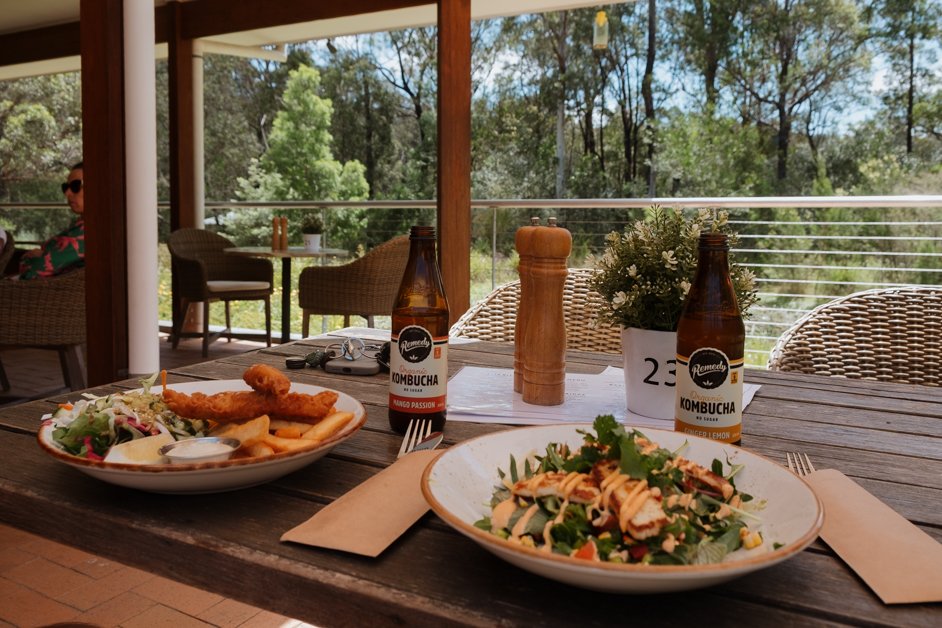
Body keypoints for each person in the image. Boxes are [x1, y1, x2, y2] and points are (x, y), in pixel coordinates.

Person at [16, 161, 85, 280]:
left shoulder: (89, 232)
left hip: (51, 294)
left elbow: (33, 271)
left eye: (75, 186)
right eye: (65, 187)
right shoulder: (79, 225)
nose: (67, 193)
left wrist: (30, 258)